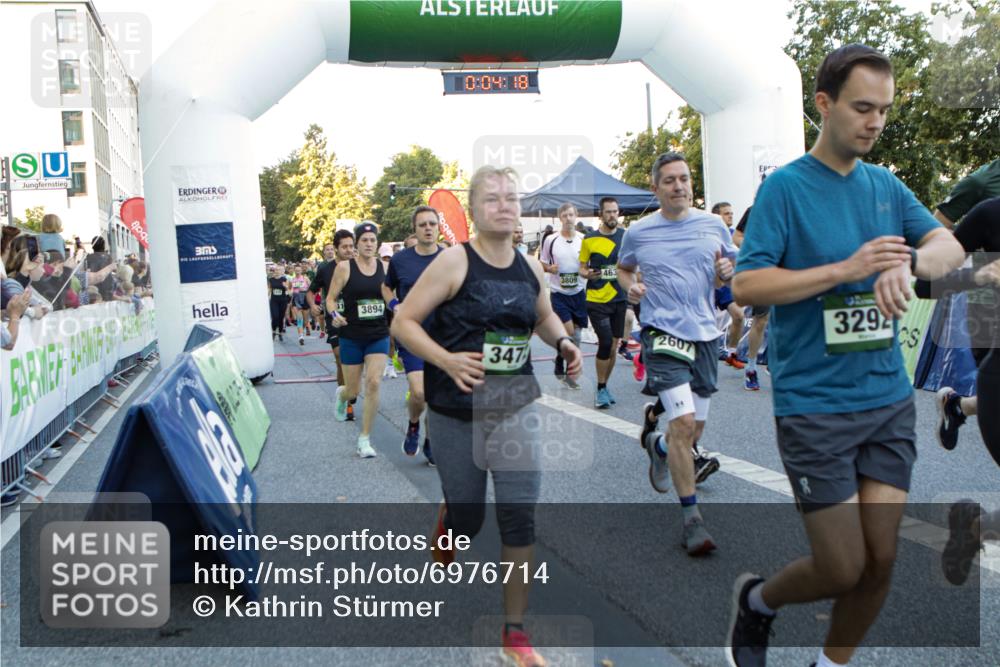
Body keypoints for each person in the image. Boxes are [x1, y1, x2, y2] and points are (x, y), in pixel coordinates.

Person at [727, 44, 965, 667]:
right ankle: (758, 602)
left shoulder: (885, 185)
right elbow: (748, 286)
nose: (875, 122)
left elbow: (949, 247)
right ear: (824, 104)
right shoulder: (784, 189)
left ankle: (829, 664)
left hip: (886, 402)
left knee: (882, 560)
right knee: (842, 565)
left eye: (884, 111)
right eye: (863, 107)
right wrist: (845, 269)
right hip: (815, 407)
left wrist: (910, 264)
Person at [392, 165, 582, 667]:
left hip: (513, 404)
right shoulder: (455, 263)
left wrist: (562, 340)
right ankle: (451, 516)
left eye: (511, 198)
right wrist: (446, 359)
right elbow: (403, 321)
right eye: (493, 198)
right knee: (471, 522)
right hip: (456, 411)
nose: (505, 205)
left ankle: (514, 633)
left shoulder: (529, 267)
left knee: (519, 514)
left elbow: (542, 315)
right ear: (474, 211)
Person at [618, 152, 735, 557]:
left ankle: (660, 447)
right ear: (656, 188)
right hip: (662, 332)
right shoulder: (639, 231)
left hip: (705, 334)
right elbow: (624, 268)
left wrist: (727, 274)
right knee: (683, 422)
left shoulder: (713, 224)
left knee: (692, 433)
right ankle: (692, 521)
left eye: (684, 179)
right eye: (669, 180)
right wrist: (630, 288)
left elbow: (730, 268)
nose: (679, 186)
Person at [931, 159, 1000, 449]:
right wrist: (974, 251)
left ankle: (959, 406)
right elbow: (937, 226)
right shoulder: (982, 181)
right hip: (989, 307)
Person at [384, 206, 444, 465]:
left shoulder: (451, 258)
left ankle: (431, 441)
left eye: (432, 223)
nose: (428, 228)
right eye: (423, 225)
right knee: (419, 393)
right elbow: (386, 288)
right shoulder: (401, 260)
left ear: (439, 227)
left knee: (437, 397)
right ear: (415, 229)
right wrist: (394, 305)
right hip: (413, 335)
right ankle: (413, 424)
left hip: (443, 337)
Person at [326, 222, 391, 458]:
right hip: (351, 335)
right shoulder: (344, 268)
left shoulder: (385, 268)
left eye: (372, 240)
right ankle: (342, 395)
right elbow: (330, 299)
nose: (369, 244)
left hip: (378, 334)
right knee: (353, 390)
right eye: (364, 240)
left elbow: (393, 298)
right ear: (357, 243)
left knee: (373, 383)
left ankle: (364, 438)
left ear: (377, 243)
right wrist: (334, 315)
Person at [579, 196, 627, 408]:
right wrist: (587, 274)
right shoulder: (589, 239)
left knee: (614, 345)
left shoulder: (626, 236)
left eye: (615, 212)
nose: (612, 216)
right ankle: (599, 388)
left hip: (619, 297)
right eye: (608, 212)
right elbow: (581, 268)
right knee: (605, 342)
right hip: (596, 298)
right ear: (601, 215)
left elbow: (632, 265)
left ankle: (604, 385)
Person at [539, 202, 587, 388]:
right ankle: (569, 375)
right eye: (565, 216)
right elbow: (542, 263)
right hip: (559, 293)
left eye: (571, 215)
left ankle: (561, 361)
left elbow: (587, 264)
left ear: (576, 216)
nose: (568, 219)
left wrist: (588, 272)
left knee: (578, 336)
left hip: (579, 292)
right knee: (569, 333)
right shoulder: (551, 240)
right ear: (560, 218)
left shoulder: (584, 240)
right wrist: (550, 268)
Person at [309, 233, 354, 389]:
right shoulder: (325, 269)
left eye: (351, 246)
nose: (349, 250)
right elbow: (310, 291)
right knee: (340, 357)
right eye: (344, 247)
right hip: (334, 316)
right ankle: (344, 398)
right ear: (336, 248)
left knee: (354, 362)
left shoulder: (359, 266)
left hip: (355, 318)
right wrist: (313, 306)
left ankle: (350, 389)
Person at [733, 204, 769, 390]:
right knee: (761, 320)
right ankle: (752, 367)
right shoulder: (757, 209)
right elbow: (737, 236)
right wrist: (754, 247)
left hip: (791, 269)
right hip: (764, 269)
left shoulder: (799, 206)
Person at [712, 201, 747, 370]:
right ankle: (645, 356)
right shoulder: (708, 234)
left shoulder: (734, 236)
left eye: (731, 213)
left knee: (739, 316)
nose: (731, 216)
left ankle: (732, 353)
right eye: (726, 213)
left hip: (726, 283)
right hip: (708, 284)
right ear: (717, 216)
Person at [290, 264, 311, 345]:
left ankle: (303, 329)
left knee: (305, 321)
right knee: (299, 319)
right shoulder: (292, 279)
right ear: (294, 271)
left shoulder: (305, 278)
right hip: (296, 299)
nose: (297, 272)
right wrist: (289, 291)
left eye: (299, 270)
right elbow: (289, 289)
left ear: (301, 271)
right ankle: (301, 336)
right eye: (296, 270)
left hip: (305, 297)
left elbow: (312, 287)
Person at [267, 264, 290, 341]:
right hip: (274, 301)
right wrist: (266, 296)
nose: (277, 271)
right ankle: (273, 331)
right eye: (276, 270)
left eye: (279, 270)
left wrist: (285, 287)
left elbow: (288, 290)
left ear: (281, 271)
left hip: (283, 301)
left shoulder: (284, 279)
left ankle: (280, 333)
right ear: (274, 271)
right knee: (275, 317)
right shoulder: (271, 279)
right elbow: (269, 289)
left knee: (281, 318)